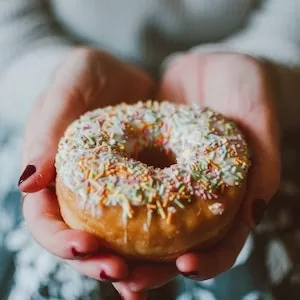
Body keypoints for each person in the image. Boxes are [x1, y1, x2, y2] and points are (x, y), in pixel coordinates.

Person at [1, 0, 300, 299]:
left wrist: (263, 72)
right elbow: (11, 37)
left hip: (250, 106)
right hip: (62, 104)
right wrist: (56, 82)